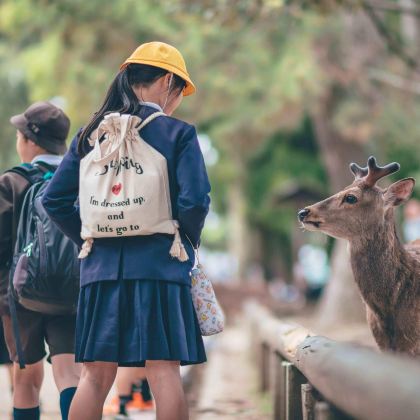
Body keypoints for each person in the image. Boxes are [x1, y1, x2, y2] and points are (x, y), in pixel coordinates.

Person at [42, 41, 211, 420]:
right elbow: (195, 202)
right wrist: (182, 242)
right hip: (159, 268)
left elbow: (53, 200)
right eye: (180, 90)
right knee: (164, 371)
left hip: (100, 272)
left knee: (95, 377)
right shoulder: (176, 134)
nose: (178, 100)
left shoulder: (89, 135)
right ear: (168, 80)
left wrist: (90, 238)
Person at [0, 101, 81, 420]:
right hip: (72, 291)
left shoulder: (11, 182)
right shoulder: (78, 180)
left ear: (30, 140)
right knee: (70, 373)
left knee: (26, 379)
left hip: (19, 295)